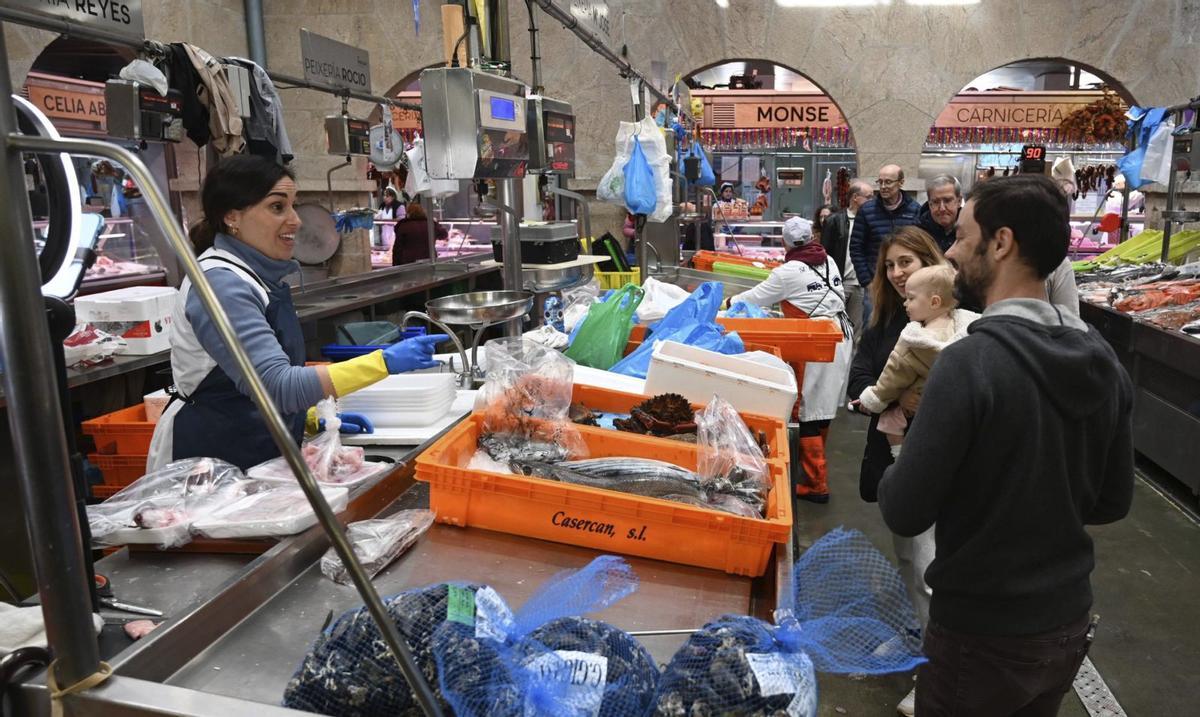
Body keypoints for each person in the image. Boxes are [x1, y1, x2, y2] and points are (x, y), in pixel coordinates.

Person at [878, 174, 1133, 716]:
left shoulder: (969, 364)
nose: (949, 250)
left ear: (1001, 243)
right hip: (1065, 627)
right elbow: (1112, 502)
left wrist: (905, 442)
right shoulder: (1103, 360)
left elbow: (904, 508)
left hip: (981, 633)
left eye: (962, 236)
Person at [147, 156, 447, 471]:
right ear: (232, 217)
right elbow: (277, 385)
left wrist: (309, 419)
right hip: (208, 461)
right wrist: (383, 362)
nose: (296, 220)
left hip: (257, 447)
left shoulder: (255, 275)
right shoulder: (221, 284)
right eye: (278, 207)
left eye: (293, 205)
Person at [847, 227, 947, 716]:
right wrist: (888, 396)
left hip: (938, 457)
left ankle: (936, 676)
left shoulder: (953, 319)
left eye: (906, 262)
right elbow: (862, 372)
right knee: (906, 555)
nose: (896, 272)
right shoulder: (889, 317)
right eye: (889, 266)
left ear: (929, 262)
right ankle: (912, 637)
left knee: (931, 566)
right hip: (891, 453)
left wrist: (919, 396)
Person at [729, 217, 853, 504]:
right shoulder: (828, 260)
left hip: (816, 342)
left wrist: (728, 302)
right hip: (840, 334)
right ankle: (813, 469)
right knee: (822, 405)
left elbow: (755, 298)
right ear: (812, 237)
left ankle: (816, 483)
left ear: (785, 243)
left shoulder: (787, 272)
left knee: (810, 409)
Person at [854, 264, 978, 458]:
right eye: (889, 265)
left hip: (915, 406)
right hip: (954, 412)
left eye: (911, 298)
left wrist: (874, 399)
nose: (906, 303)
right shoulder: (966, 329)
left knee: (889, 421)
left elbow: (892, 376)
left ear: (934, 302)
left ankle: (898, 454)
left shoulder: (913, 340)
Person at [850, 164, 922, 326]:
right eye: (880, 182)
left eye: (888, 182)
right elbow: (856, 248)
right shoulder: (867, 210)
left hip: (907, 283)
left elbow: (919, 248)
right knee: (873, 328)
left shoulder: (914, 209)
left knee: (906, 327)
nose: (883, 187)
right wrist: (867, 281)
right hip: (876, 284)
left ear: (901, 183)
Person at [821, 178, 873, 341]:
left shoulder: (869, 221)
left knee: (856, 330)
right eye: (869, 196)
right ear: (855, 197)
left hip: (860, 284)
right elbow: (825, 252)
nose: (872, 200)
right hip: (839, 283)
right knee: (835, 325)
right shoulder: (834, 220)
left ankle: (851, 364)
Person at [391, 200, 446, 265]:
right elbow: (444, 234)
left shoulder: (403, 226)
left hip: (409, 263)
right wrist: (436, 223)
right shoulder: (430, 224)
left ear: (409, 214)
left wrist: (395, 266)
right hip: (428, 261)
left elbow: (397, 249)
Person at [917, 174, 962, 253]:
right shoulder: (917, 234)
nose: (942, 209)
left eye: (947, 201)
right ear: (930, 204)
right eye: (936, 202)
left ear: (959, 201)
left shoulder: (972, 231)